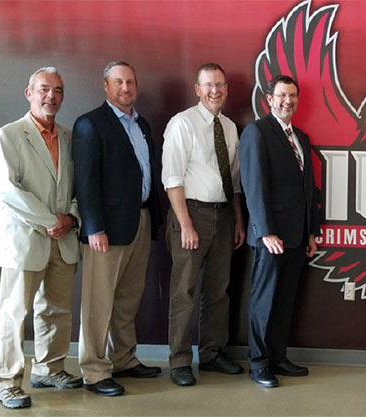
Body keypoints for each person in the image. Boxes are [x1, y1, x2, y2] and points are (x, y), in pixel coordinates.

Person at [0, 67, 83, 409]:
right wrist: (50, 221)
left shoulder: (71, 137)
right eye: (44, 89)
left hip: (63, 238)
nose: (51, 96)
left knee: (57, 309)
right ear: (28, 92)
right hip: (26, 240)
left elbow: (80, 186)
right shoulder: (9, 135)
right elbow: (8, 190)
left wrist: (71, 217)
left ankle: (49, 367)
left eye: (58, 90)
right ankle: (6, 381)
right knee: (15, 314)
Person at [72, 61, 162, 397]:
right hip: (105, 230)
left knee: (127, 299)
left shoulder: (142, 125)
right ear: (106, 86)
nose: (126, 88)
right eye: (119, 82)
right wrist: (94, 227)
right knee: (99, 303)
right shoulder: (90, 124)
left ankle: (124, 358)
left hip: (139, 220)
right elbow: (85, 180)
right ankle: (94, 371)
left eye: (131, 82)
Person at [161, 63, 246, 386]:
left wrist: (237, 220)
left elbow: (234, 181)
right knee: (184, 291)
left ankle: (211, 354)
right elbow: (172, 178)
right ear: (197, 90)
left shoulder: (228, 127)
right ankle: (180, 361)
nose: (215, 90)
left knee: (218, 290)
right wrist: (185, 224)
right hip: (191, 213)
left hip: (223, 215)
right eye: (208, 85)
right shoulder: (182, 123)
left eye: (220, 85)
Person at [239, 75, 320, 388]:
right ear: (269, 98)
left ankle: (277, 356)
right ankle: (259, 363)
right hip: (271, 237)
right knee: (264, 300)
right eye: (282, 95)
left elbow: (307, 190)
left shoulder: (300, 136)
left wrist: (312, 232)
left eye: (293, 96)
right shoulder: (257, 132)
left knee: (285, 300)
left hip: (298, 236)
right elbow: (254, 186)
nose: (289, 101)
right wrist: (264, 232)